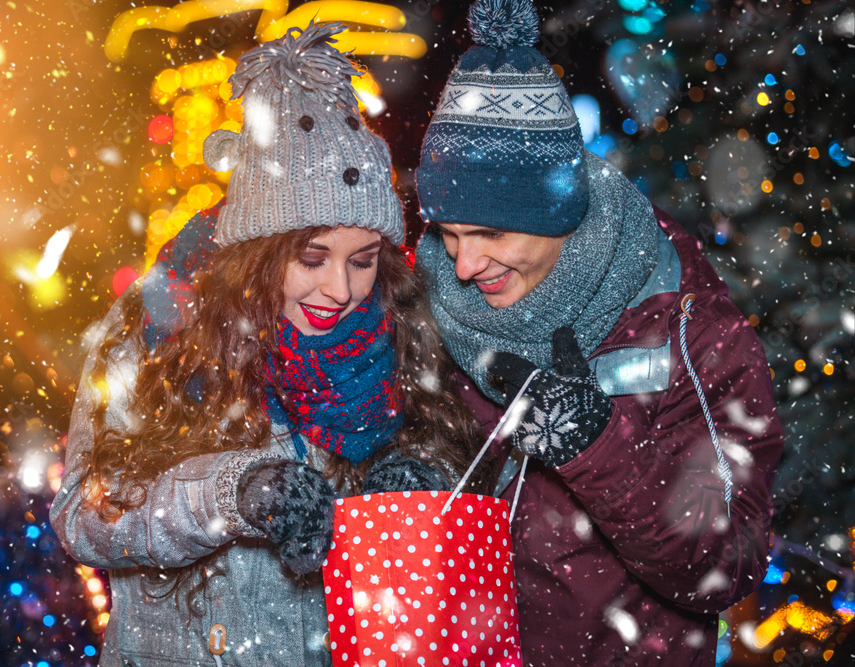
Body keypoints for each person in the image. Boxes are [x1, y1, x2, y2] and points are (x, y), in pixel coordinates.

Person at [50, 23, 481, 667]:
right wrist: (233, 493)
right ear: (257, 252)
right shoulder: (157, 327)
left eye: (363, 260)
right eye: (311, 258)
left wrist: (420, 491)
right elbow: (85, 515)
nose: (341, 287)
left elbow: (460, 459)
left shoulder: (398, 329)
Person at [412, 0, 784, 665]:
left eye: (491, 233)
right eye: (448, 234)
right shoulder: (429, 301)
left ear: (560, 212)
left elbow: (725, 566)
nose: (464, 265)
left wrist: (594, 449)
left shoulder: (680, 319)